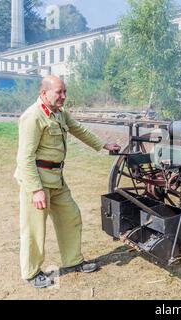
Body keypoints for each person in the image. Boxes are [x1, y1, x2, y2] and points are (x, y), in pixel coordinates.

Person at [14, 75, 121, 288]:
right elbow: (24, 158)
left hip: (56, 180)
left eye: (65, 92)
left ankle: (73, 261)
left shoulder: (59, 114)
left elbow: (79, 130)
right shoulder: (33, 117)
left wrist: (103, 145)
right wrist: (36, 190)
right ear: (44, 93)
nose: (63, 96)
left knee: (71, 217)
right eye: (59, 92)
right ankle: (31, 272)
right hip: (36, 181)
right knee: (34, 229)